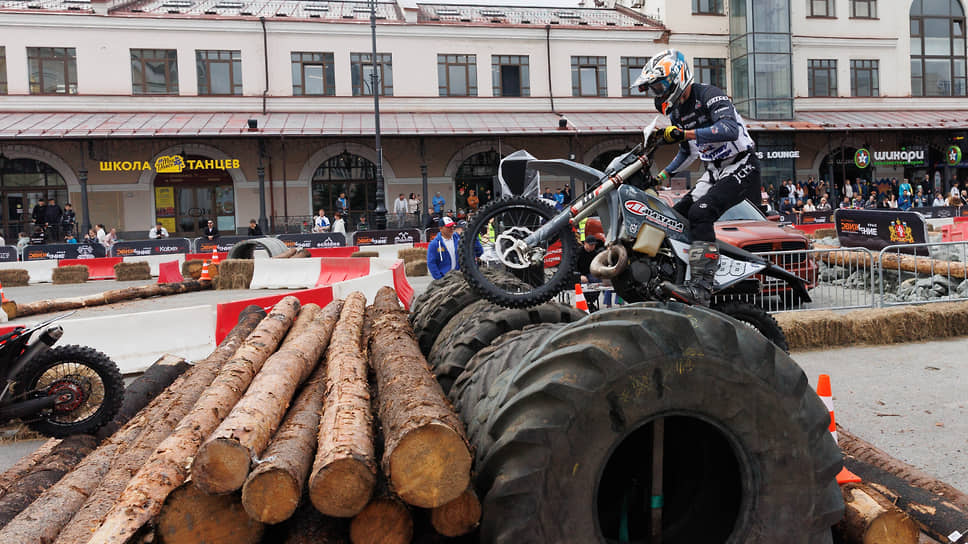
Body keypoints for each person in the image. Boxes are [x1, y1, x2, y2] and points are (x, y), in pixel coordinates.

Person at [636, 48, 759, 306]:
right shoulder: (678, 112)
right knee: (674, 216)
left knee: (701, 212)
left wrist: (686, 134)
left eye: (660, 86)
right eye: (655, 89)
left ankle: (702, 287)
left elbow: (729, 129)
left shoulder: (710, 95)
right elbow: (687, 152)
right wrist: (662, 176)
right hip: (713, 171)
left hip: (741, 164)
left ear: (677, 77)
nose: (658, 93)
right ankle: (678, 275)